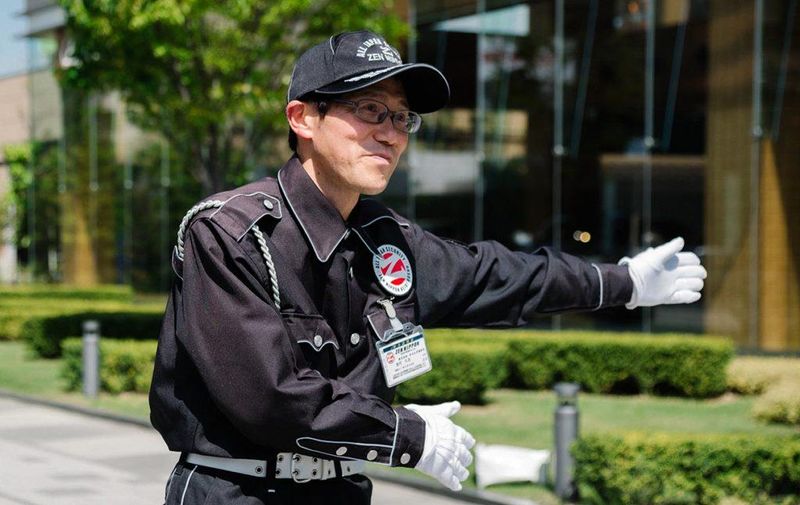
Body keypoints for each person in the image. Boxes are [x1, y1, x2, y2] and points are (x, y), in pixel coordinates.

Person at [149, 30, 707, 505]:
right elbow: (270, 399)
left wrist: (623, 283)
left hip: (341, 490)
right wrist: (406, 435)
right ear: (303, 118)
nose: (390, 133)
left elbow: (496, 275)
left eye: (401, 117)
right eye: (369, 110)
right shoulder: (231, 234)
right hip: (237, 492)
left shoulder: (383, 237)